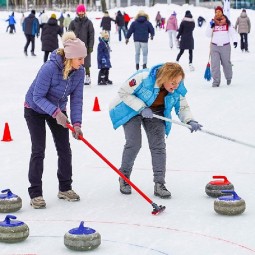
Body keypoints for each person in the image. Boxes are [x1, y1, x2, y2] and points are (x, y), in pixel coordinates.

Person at [109, 63, 202, 198]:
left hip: (155, 112)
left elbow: (182, 107)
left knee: (158, 146)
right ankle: (124, 177)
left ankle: (159, 184)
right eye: (173, 82)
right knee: (134, 143)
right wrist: (141, 107)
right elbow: (123, 92)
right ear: (164, 77)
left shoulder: (177, 88)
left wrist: (189, 120)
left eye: (178, 82)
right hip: (131, 109)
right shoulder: (143, 77)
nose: (176, 85)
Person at [24, 31, 87, 209]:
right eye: (80, 59)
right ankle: (36, 193)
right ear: (70, 57)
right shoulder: (49, 68)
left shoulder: (79, 72)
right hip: (34, 109)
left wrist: (76, 124)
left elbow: (77, 99)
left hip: (59, 109)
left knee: (64, 149)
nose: (83, 62)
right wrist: (56, 113)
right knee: (38, 150)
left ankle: (65, 188)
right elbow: (37, 96)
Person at [206, 6, 238, 87]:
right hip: (214, 46)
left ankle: (228, 77)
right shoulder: (212, 22)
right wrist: (210, 27)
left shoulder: (227, 22)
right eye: (216, 12)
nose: (218, 13)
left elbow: (233, 32)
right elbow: (207, 35)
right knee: (215, 65)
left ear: (222, 12)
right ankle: (216, 81)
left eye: (219, 11)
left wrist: (235, 41)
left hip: (225, 46)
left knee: (226, 63)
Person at [69, 4, 95, 85]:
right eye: (79, 11)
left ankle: (87, 77)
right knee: (75, 62)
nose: (81, 13)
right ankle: (74, 78)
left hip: (85, 47)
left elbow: (91, 35)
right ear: (77, 12)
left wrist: (90, 46)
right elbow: (69, 34)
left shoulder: (88, 22)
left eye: (82, 11)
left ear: (84, 12)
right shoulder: (73, 23)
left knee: (86, 63)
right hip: (75, 47)